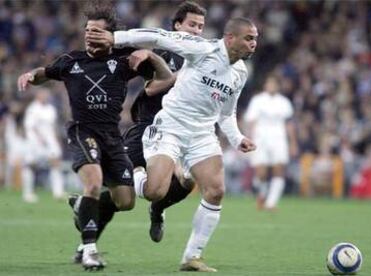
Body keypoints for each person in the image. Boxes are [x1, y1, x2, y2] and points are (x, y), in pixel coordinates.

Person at [87, 17, 258, 272]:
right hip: (171, 126)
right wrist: (115, 38)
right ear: (230, 38)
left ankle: (192, 257)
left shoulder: (240, 72)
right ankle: (134, 174)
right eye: (249, 38)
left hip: (202, 134)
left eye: (255, 39)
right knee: (155, 191)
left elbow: (226, 113)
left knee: (215, 190)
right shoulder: (203, 49)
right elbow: (157, 36)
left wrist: (237, 138)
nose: (254, 44)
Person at [17, 4, 172, 270]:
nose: (90, 35)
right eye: (88, 30)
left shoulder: (124, 61)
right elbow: (45, 74)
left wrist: (149, 54)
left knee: (125, 202)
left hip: (113, 137)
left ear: (110, 35)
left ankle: (82, 204)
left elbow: (166, 76)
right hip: (82, 131)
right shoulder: (71, 61)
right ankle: (89, 251)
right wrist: (30, 74)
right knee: (93, 182)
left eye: (97, 31)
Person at [123, 0, 206, 243]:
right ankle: (91, 207)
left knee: (187, 181)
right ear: (177, 26)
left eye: (201, 26)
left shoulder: (203, 58)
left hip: (181, 128)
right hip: (151, 124)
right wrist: (181, 75)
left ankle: (158, 211)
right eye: (192, 24)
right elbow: (150, 89)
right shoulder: (164, 54)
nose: (196, 31)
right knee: (127, 185)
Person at [244, 75, 297, 211]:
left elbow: (289, 123)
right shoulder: (257, 100)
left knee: (279, 170)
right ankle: (262, 194)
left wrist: (293, 143)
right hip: (260, 139)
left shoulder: (284, 102)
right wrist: (248, 140)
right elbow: (251, 121)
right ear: (265, 85)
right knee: (261, 173)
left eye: (274, 84)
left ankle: (271, 203)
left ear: (277, 86)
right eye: (269, 84)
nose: (271, 86)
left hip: (279, 139)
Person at [21, 87, 65, 203]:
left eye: (47, 95)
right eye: (44, 95)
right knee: (31, 165)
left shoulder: (51, 109)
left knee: (55, 163)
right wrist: (39, 139)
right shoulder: (33, 108)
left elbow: (53, 126)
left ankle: (58, 192)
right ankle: (28, 193)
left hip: (50, 141)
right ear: (38, 96)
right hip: (35, 142)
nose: (46, 97)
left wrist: (56, 139)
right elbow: (30, 126)